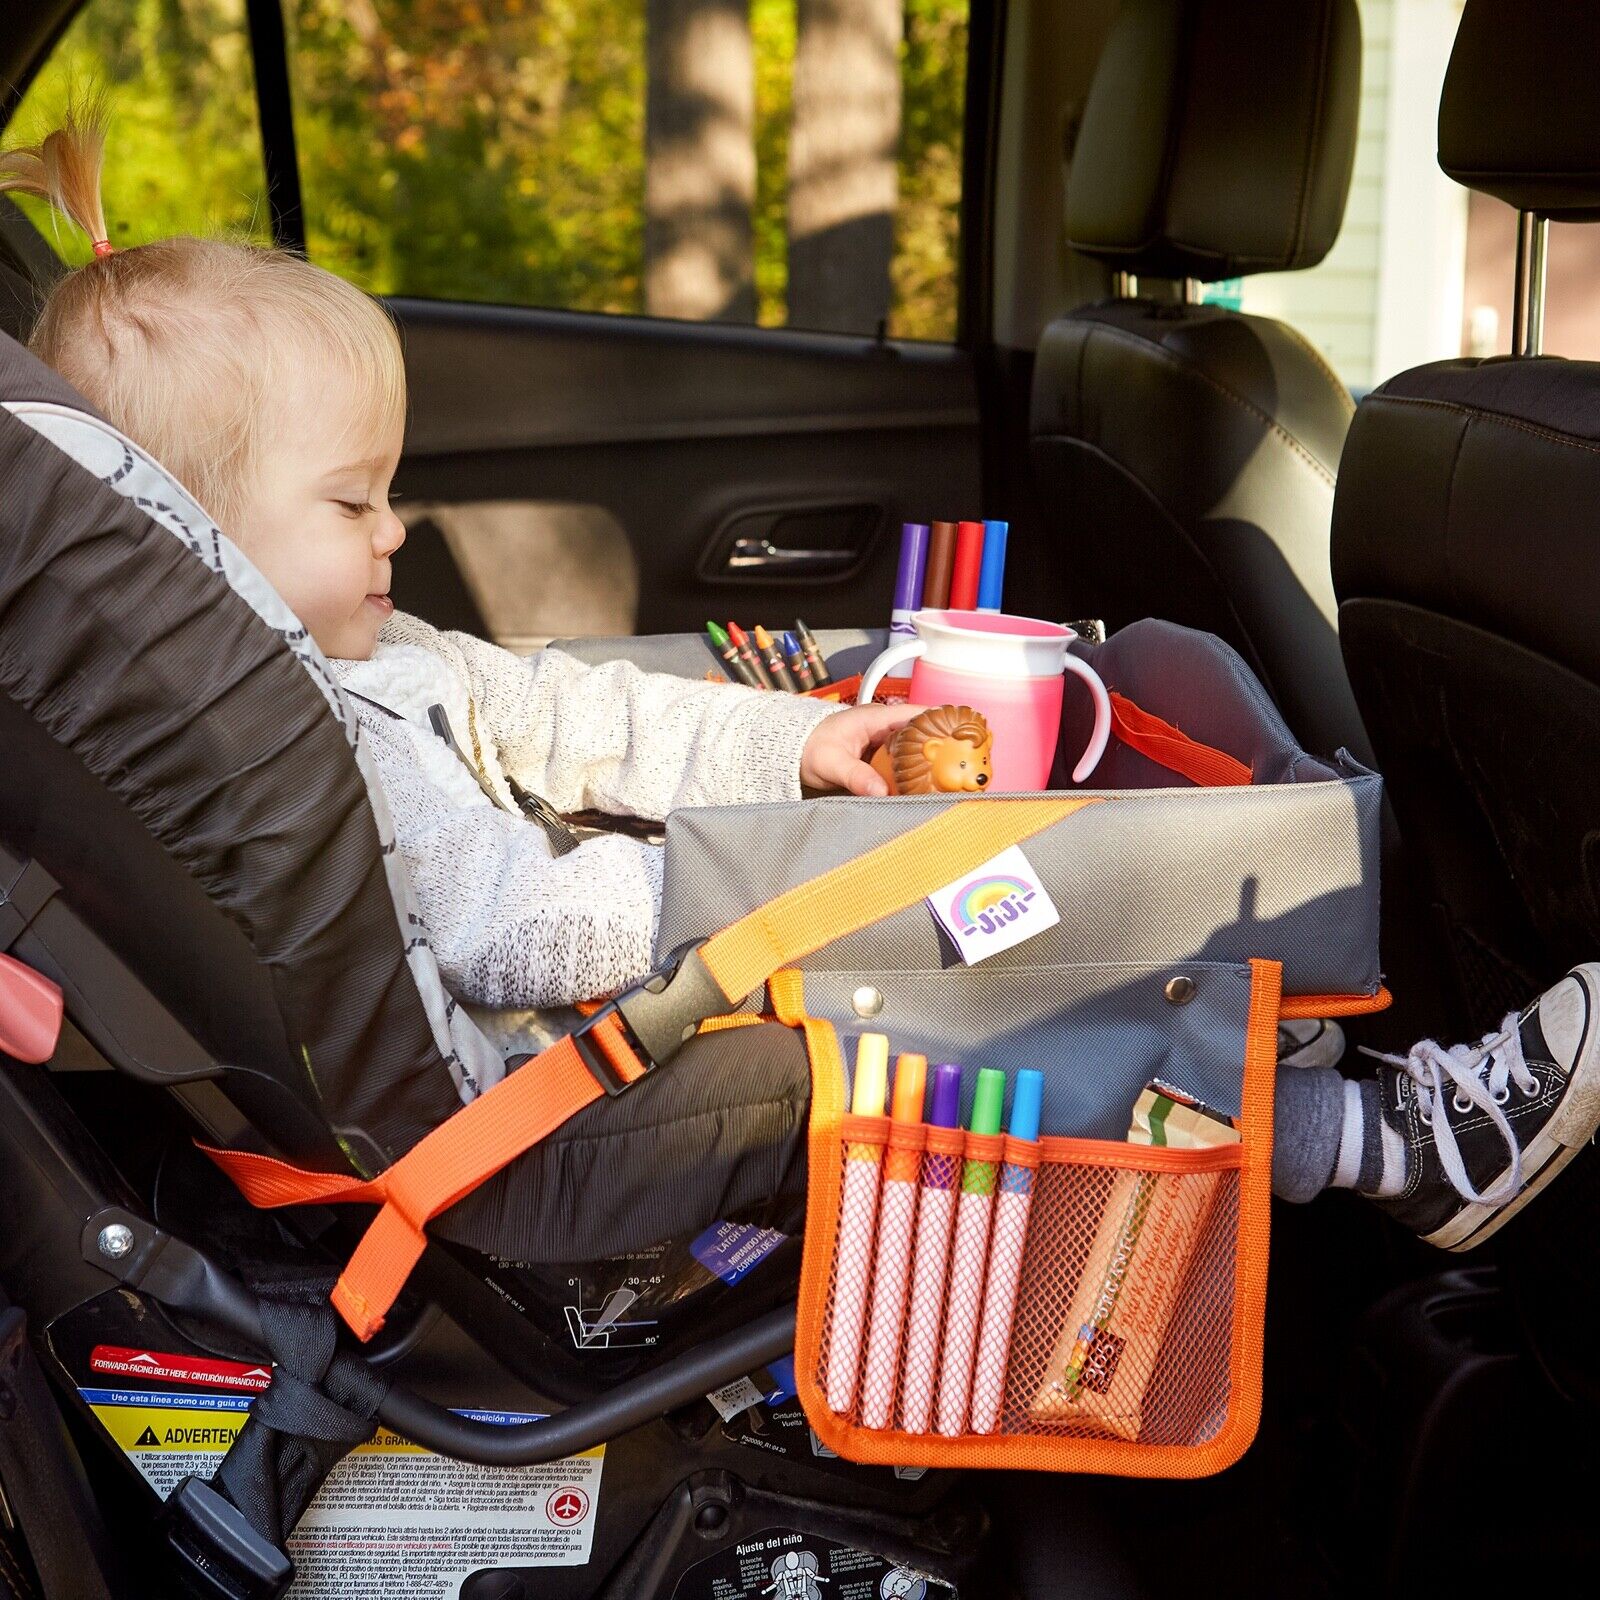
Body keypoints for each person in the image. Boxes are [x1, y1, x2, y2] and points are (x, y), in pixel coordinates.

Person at [7, 108, 1599, 1252]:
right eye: (353, 503)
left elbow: (575, 713)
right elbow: (505, 918)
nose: (398, 526)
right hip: (539, 1129)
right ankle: (1387, 1148)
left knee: (969, 931)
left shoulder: (381, 659)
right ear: (200, 540)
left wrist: (804, 744)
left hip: (597, 1027)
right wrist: (770, 881)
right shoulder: (316, 753)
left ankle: (1257, 1035)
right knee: (959, 1017)